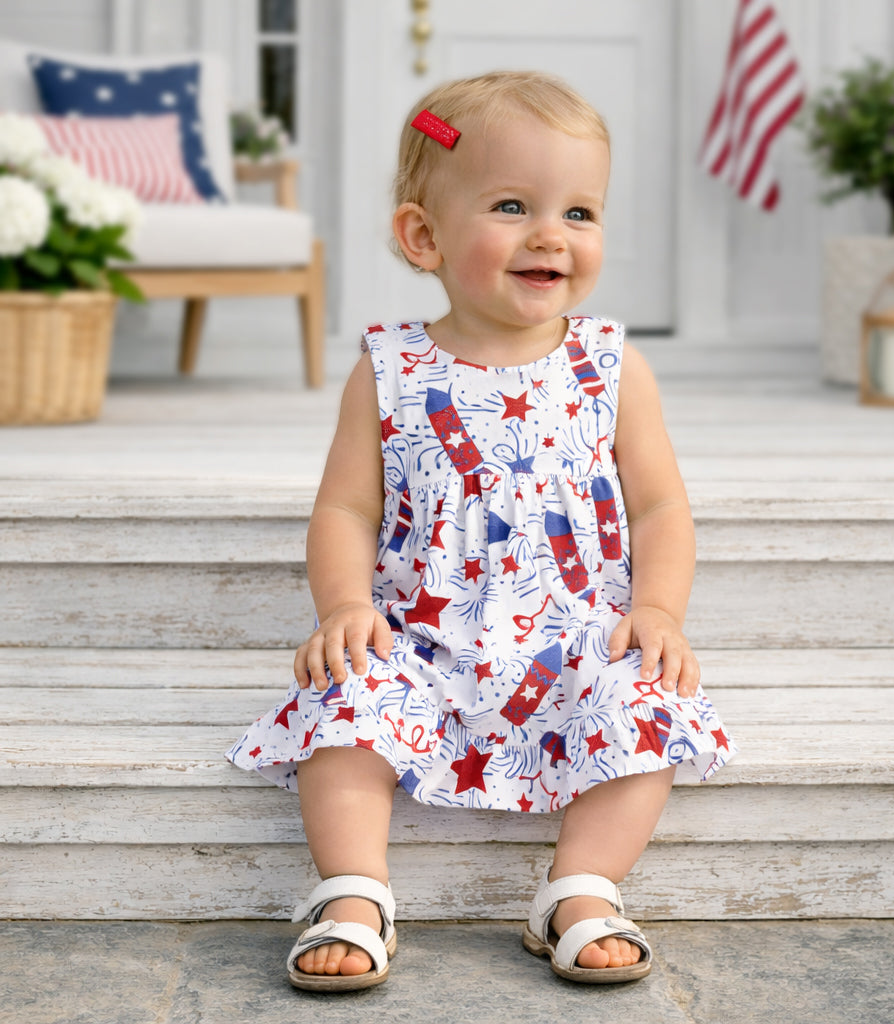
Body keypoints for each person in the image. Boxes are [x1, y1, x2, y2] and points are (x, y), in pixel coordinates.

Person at [228, 70, 733, 992]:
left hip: (574, 639)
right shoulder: (389, 369)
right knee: (348, 702)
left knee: (645, 703)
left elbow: (661, 505)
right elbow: (346, 508)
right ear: (424, 235)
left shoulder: (612, 367)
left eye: (581, 212)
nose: (553, 234)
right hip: (419, 638)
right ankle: (352, 889)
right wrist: (344, 606)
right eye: (513, 205)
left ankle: (582, 887)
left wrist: (657, 610)